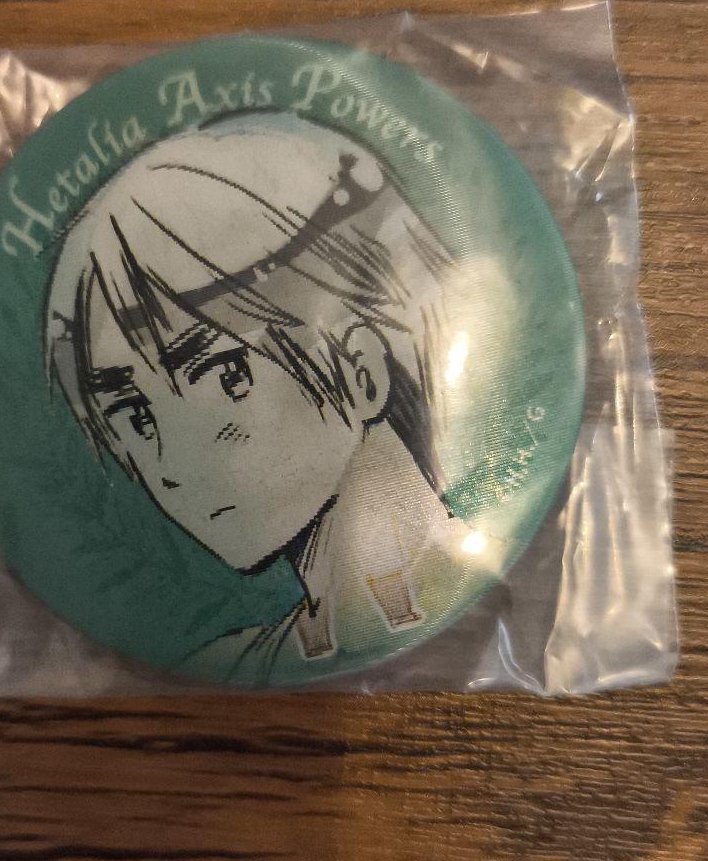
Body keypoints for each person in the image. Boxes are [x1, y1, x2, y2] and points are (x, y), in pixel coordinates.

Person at [46, 110, 474, 684]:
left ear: (361, 371)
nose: (172, 466)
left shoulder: (496, 588)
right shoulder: (238, 665)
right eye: (136, 415)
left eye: (227, 375)